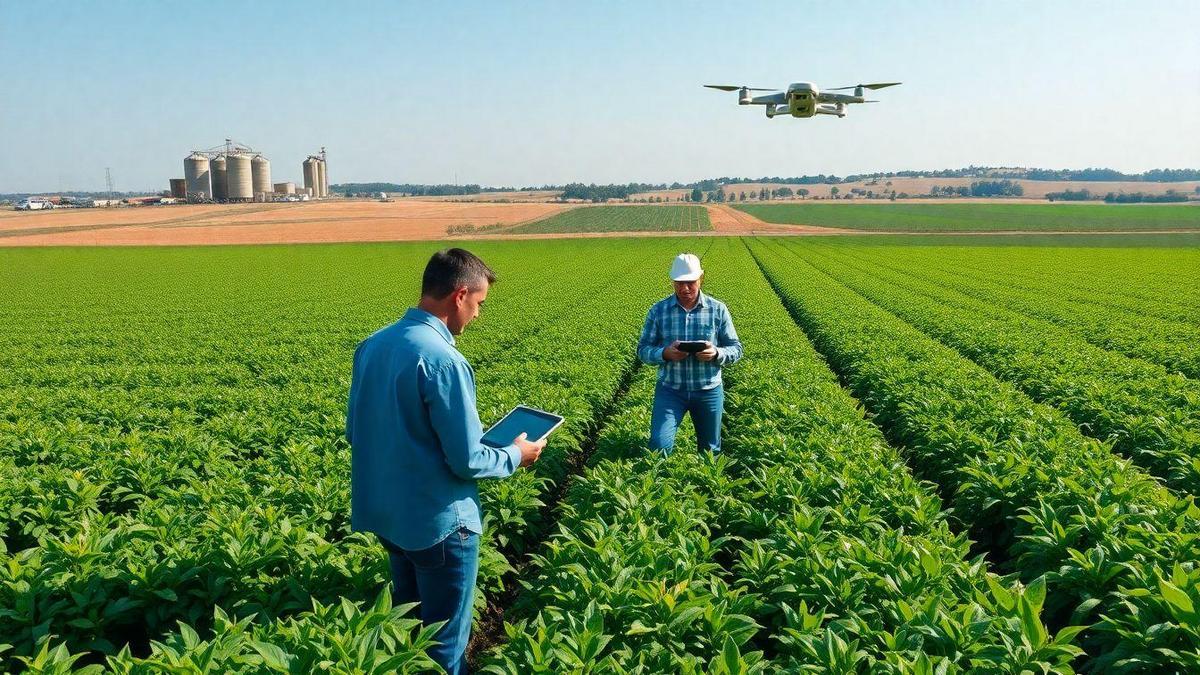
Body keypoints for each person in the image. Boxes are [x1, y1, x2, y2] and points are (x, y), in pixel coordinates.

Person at [346, 248, 545, 675]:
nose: (478, 315)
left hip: (389, 519)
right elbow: (468, 460)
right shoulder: (443, 359)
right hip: (439, 525)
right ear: (459, 296)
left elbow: (358, 432)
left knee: (410, 633)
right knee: (444, 648)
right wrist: (515, 454)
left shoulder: (373, 345)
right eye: (479, 304)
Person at [636, 252, 743, 454]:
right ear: (672, 281)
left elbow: (736, 349)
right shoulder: (658, 311)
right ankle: (659, 484)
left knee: (710, 450)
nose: (685, 288)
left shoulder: (717, 309)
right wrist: (664, 354)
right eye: (679, 283)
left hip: (708, 390)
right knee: (659, 446)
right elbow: (642, 350)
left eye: (691, 282)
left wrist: (716, 353)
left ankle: (706, 485)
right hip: (671, 390)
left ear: (701, 278)